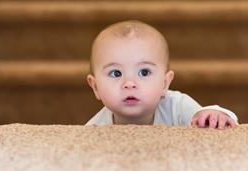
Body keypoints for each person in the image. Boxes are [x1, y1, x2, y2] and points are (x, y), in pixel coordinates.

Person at [85, 20, 238, 129]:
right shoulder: (94, 129)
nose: (129, 83)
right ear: (95, 87)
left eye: (144, 72)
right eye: (116, 73)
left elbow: (204, 117)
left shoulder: (176, 106)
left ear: (165, 83)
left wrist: (215, 114)